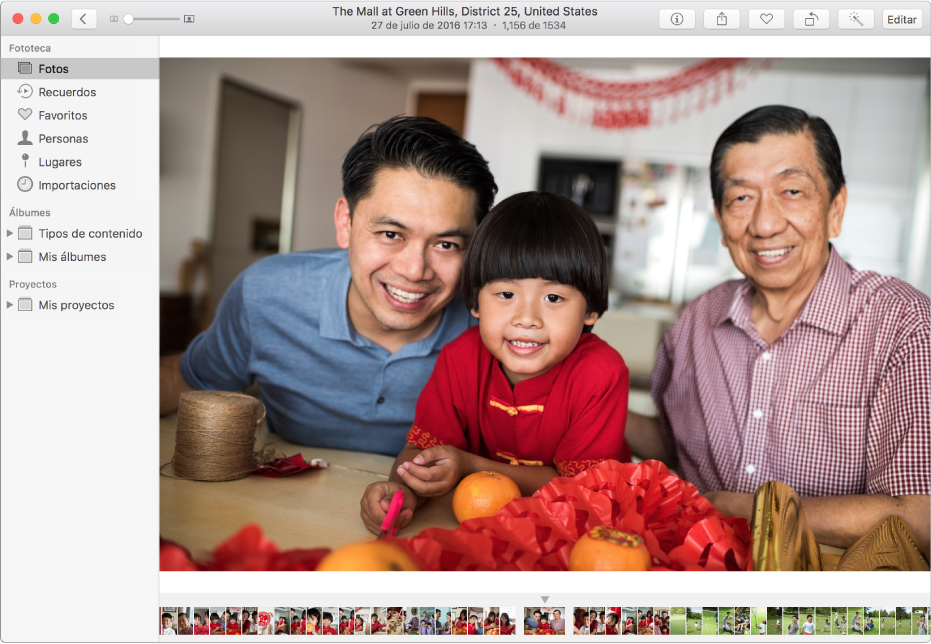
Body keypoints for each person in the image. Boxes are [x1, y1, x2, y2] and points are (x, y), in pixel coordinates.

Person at [624, 105, 931, 560]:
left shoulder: (902, 324)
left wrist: (748, 511)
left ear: (835, 209)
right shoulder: (697, 320)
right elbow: (673, 442)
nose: (765, 224)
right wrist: (573, 394)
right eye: (741, 198)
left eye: (792, 191)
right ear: (720, 218)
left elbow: (920, 518)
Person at [160, 115, 498, 458]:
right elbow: (188, 382)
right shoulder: (266, 293)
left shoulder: (498, 325)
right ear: (345, 223)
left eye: (446, 245)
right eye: (391, 234)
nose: (414, 271)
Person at [363, 190, 630, 531]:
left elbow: (583, 490)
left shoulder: (601, 374)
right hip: (481, 528)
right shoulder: (460, 359)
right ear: (475, 303)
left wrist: (467, 465)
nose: (526, 318)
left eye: (553, 297)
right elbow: (421, 452)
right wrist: (403, 493)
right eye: (506, 294)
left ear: (590, 309)